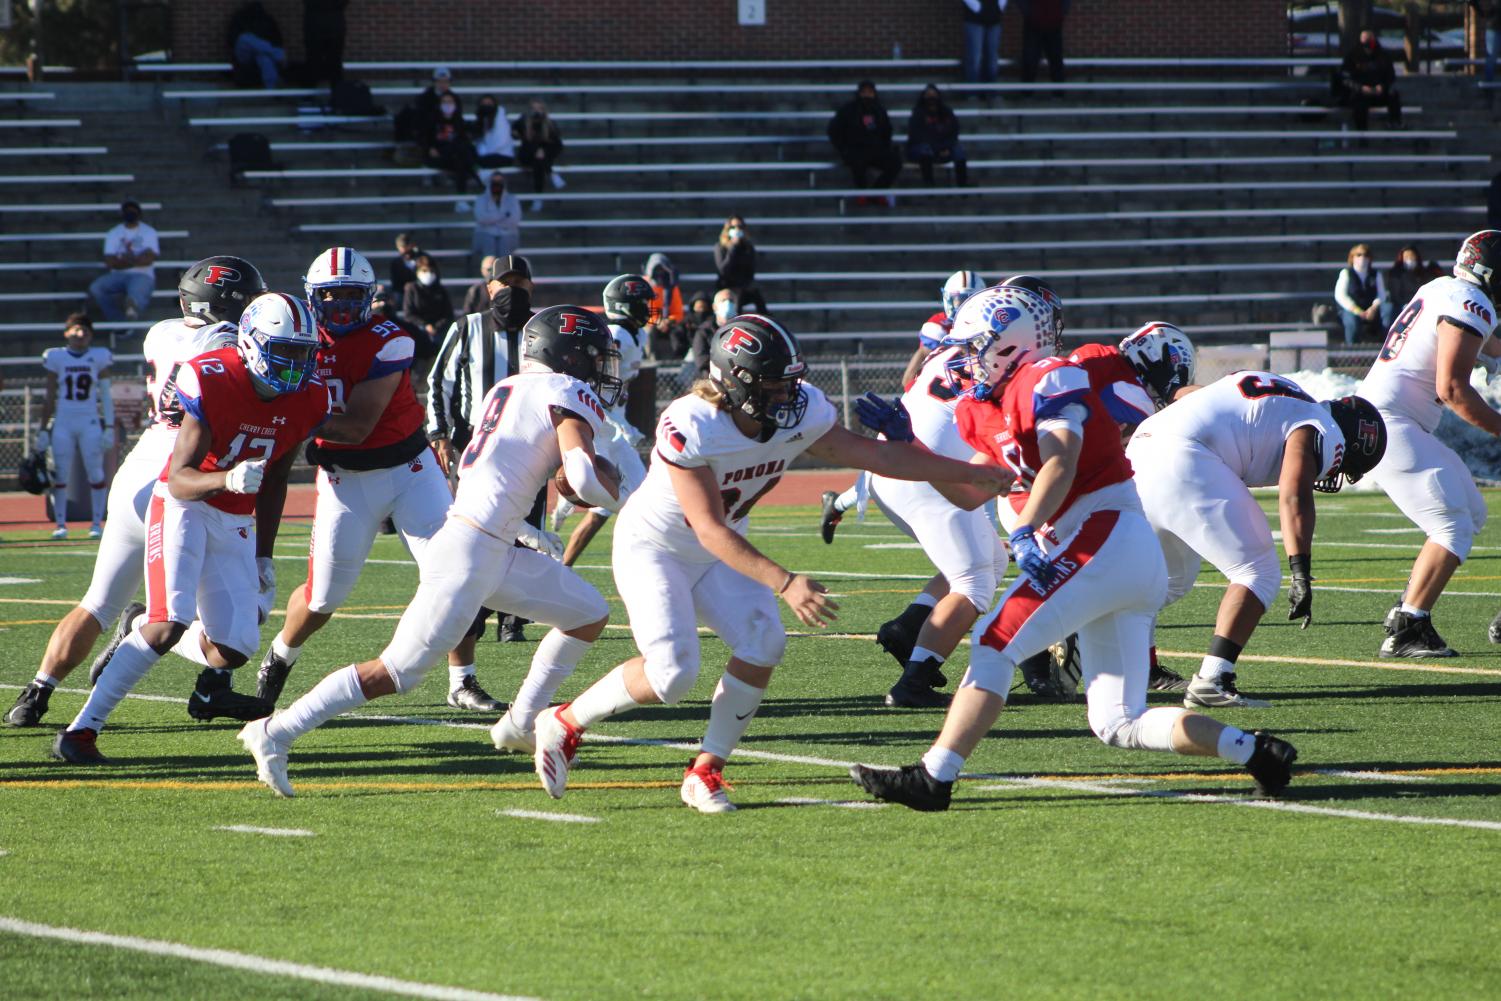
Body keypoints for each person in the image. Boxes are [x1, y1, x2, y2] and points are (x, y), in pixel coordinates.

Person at [527, 314, 1010, 813]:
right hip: (658, 548)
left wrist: (974, 475)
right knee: (672, 675)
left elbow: (874, 456)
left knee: (764, 640)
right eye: (775, 385)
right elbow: (708, 527)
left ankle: (705, 770)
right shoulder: (691, 424)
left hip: (722, 544)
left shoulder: (800, 412)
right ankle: (563, 722)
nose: (788, 395)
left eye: (790, 383)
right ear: (735, 382)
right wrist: (785, 582)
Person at [847, 286, 1300, 813]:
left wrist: (1025, 529)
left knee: (995, 643)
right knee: (1118, 722)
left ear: (1009, 345)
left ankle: (934, 776)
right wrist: (912, 447)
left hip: (1106, 534)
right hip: (1113, 556)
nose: (965, 360)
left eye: (974, 348)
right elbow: (970, 491)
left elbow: (1061, 462)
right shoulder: (980, 409)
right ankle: (1257, 751)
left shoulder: (1049, 375)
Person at [239, 306, 625, 797]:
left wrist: (525, 530)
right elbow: (588, 479)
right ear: (568, 354)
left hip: (488, 544)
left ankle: (521, 722)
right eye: (594, 357)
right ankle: (274, 732)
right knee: (393, 674)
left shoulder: (508, 388)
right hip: (470, 554)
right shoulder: (566, 391)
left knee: (588, 614)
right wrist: (621, 492)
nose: (600, 369)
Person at [52, 293, 335, 764]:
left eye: (303, 354)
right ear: (252, 344)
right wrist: (225, 477)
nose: (295, 365)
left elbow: (278, 478)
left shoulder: (309, 399)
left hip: (235, 519)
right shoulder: (213, 377)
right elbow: (179, 478)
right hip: (183, 504)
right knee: (168, 625)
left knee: (235, 646)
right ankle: (80, 732)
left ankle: (135, 626)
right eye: (285, 351)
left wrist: (264, 553)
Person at [6, 258, 268, 729]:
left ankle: (36, 693)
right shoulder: (225, 341)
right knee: (226, 605)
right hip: (185, 471)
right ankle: (209, 682)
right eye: (246, 300)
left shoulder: (160, 332)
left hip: (138, 467)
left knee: (98, 600)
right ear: (225, 306)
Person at [256, 248, 485, 711]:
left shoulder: (389, 339)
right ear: (311, 296)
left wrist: (291, 415)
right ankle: (278, 659)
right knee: (322, 597)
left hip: (410, 472)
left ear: (370, 297)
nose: (341, 306)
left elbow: (357, 426)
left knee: (455, 574)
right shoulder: (296, 334)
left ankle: (462, 679)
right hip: (345, 481)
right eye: (331, 295)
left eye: (350, 296)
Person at [1127, 372, 1387, 708]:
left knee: (1165, 582)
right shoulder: (1322, 426)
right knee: (1257, 572)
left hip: (1141, 447)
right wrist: (1300, 569)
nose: (1334, 473)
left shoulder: (1288, 397)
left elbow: (1191, 394)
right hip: (1184, 458)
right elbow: (1294, 494)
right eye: (1344, 466)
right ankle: (1214, 678)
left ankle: (1084, 619)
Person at [1357, 231, 1501, 656]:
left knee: (1470, 512)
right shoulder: (1470, 303)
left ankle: (1408, 608)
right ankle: (1408, 627)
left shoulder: (1442, 288)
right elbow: (1453, 388)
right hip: (1391, 422)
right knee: (1452, 524)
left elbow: (1492, 348)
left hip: (1388, 420)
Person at [427, 252, 547, 645]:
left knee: (529, 529)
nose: (511, 289)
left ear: (531, 286)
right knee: (478, 529)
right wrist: (440, 433)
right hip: (476, 449)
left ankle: (514, 616)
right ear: (489, 287)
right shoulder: (468, 328)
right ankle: (473, 611)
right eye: (504, 282)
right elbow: (438, 382)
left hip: (532, 446)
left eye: (519, 282)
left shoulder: (543, 328)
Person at [821, 269, 986, 544]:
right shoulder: (938, 328)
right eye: (957, 300)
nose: (961, 306)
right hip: (930, 408)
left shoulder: (985, 328)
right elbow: (910, 377)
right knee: (895, 468)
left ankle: (836, 505)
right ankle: (836, 505)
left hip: (959, 410)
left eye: (968, 299)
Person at [552, 275, 653, 565]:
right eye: (642, 304)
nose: (647, 309)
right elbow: (593, 383)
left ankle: (563, 565)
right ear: (624, 306)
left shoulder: (637, 335)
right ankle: (574, 487)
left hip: (612, 421)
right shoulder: (616, 335)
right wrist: (614, 421)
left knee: (612, 504)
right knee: (638, 500)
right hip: (602, 424)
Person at [38, 315, 113, 540]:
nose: (80, 335)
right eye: (76, 330)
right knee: (60, 474)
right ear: (66, 332)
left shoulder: (99, 356)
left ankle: (97, 524)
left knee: (96, 472)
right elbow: (50, 395)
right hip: (63, 420)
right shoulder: (56, 357)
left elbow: (106, 396)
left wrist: (109, 425)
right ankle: (61, 525)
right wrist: (42, 428)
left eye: (85, 331)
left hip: (89, 420)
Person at [827, 81, 902, 202]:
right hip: (855, 150)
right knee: (858, 161)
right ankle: (862, 193)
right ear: (859, 93)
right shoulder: (848, 110)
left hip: (876, 150)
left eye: (870, 92)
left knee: (895, 163)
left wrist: (885, 147)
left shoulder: (879, 110)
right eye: (864, 92)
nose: (867, 95)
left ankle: (876, 192)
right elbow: (833, 130)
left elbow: (887, 131)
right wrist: (843, 149)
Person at [87, 200, 159, 323]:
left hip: (143, 274)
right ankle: (117, 320)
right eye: (127, 211)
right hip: (117, 274)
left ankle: (129, 322)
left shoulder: (148, 232)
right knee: (96, 288)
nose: (130, 214)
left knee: (135, 296)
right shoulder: (114, 233)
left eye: (133, 211)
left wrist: (123, 260)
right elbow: (110, 262)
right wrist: (136, 259)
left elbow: (149, 259)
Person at [1336, 29, 1402, 131]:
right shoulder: (1352, 56)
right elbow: (1345, 79)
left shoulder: (1383, 55)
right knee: (1358, 103)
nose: (1368, 47)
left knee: (1393, 95)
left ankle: (1395, 125)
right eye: (1365, 42)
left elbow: (1391, 76)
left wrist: (1382, 86)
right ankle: (1362, 134)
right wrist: (1361, 88)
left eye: (1370, 41)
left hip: (1379, 93)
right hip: (1360, 93)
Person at [906, 84, 969, 187]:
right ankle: (929, 184)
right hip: (924, 148)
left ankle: (962, 185)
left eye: (933, 95)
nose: (931, 98)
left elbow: (954, 132)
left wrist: (946, 147)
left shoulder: (947, 112)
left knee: (959, 150)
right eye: (928, 95)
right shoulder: (918, 113)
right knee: (925, 150)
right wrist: (937, 148)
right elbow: (916, 135)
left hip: (944, 148)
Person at [1334, 243, 1394, 344]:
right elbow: (1340, 295)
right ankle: (1352, 353)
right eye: (1359, 255)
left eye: (1365, 255)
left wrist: (1373, 309)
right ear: (1352, 257)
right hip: (1351, 310)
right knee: (1352, 321)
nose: (1362, 257)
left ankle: (1386, 346)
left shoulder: (1376, 274)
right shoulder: (1346, 273)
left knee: (1388, 310)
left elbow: (1382, 295)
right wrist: (1357, 310)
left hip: (1371, 310)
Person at [514, 99, 564, 210]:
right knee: (534, 148)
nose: (536, 111)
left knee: (539, 162)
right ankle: (551, 174)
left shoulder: (550, 124)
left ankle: (538, 198)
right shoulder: (523, 121)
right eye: (533, 108)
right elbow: (514, 131)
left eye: (539, 108)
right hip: (527, 155)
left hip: (542, 158)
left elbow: (557, 143)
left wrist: (543, 150)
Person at [713, 217, 768, 315]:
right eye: (733, 227)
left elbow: (750, 271)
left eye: (740, 226)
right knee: (736, 295)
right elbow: (723, 270)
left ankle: (767, 322)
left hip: (743, 286)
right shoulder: (720, 247)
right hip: (726, 286)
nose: (737, 229)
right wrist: (733, 247)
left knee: (756, 294)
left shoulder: (748, 247)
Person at [421, 92, 475, 192]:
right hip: (437, 156)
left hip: (453, 156)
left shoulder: (459, 121)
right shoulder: (432, 121)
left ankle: (461, 196)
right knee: (462, 163)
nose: (447, 105)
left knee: (462, 159)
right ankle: (462, 194)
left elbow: (463, 142)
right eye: (444, 102)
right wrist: (430, 148)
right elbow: (425, 140)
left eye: (450, 102)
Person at [226, 2, 285, 89]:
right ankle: (278, 54)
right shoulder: (239, 17)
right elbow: (231, 39)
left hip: (261, 53)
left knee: (265, 59)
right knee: (245, 38)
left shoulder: (267, 19)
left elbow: (277, 39)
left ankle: (273, 89)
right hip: (244, 54)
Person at [401, 254, 454, 349]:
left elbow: (448, 315)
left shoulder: (441, 290)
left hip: (439, 331)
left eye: (431, 271)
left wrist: (436, 327)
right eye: (424, 271)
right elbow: (408, 314)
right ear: (418, 272)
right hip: (418, 330)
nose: (428, 274)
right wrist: (425, 325)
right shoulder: (411, 289)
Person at [644, 252, 689, 358]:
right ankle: (652, 361)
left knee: (680, 331)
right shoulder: (645, 286)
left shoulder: (673, 288)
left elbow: (678, 313)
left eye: (662, 269)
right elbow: (644, 313)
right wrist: (658, 321)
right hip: (651, 324)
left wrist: (668, 321)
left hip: (669, 323)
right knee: (648, 332)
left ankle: (677, 361)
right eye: (656, 270)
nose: (660, 273)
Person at [472, 171, 522, 263]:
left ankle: (504, 274)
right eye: (494, 181)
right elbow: (481, 218)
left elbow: (514, 220)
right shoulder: (481, 199)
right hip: (486, 234)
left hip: (508, 234)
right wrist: (503, 215)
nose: (497, 184)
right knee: (488, 241)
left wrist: (492, 220)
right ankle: (489, 275)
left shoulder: (512, 199)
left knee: (505, 242)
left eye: (499, 181)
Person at [1019, 0, 1069, 84]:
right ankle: (1026, 94)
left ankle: (1058, 94)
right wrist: (1029, 14)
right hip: (1033, 26)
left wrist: (1060, 13)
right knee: (1029, 60)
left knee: (1056, 60)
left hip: (1054, 25)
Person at [1386, 244, 1443, 315]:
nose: (1409, 259)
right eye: (1406, 257)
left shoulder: (1423, 273)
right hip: (1401, 308)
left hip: (1421, 307)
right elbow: (1396, 295)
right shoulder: (1396, 274)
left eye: (1411, 256)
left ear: (1416, 257)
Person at [302, 0, 347, 86]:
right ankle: (309, 93)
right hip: (319, 27)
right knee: (313, 61)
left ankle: (336, 93)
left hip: (328, 27)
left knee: (334, 62)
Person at [961, 0, 1007, 84]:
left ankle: (991, 91)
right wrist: (977, 7)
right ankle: (972, 93)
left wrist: (1000, 6)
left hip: (994, 18)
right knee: (975, 58)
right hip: (974, 19)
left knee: (992, 58)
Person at [471, 95, 516, 171]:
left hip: (502, 155)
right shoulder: (482, 120)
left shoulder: (500, 117)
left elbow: (501, 140)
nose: (486, 106)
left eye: (489, 103)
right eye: (484, 103)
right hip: (486, 156)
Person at [415, 66, 462, 139]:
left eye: (446, 81)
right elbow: (422, 121)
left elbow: (457, 118)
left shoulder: (455, 98)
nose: (442, 84)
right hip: (430, 134)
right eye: (439, 81)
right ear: (434, 82)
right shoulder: (424, 99)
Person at [388, 233, 422, 304]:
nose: (404, 250)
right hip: (402, 292)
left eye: (406, 246)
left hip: (418, 290)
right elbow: (395, 284)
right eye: (402, 247)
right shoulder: (395, 263)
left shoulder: (421, 259)